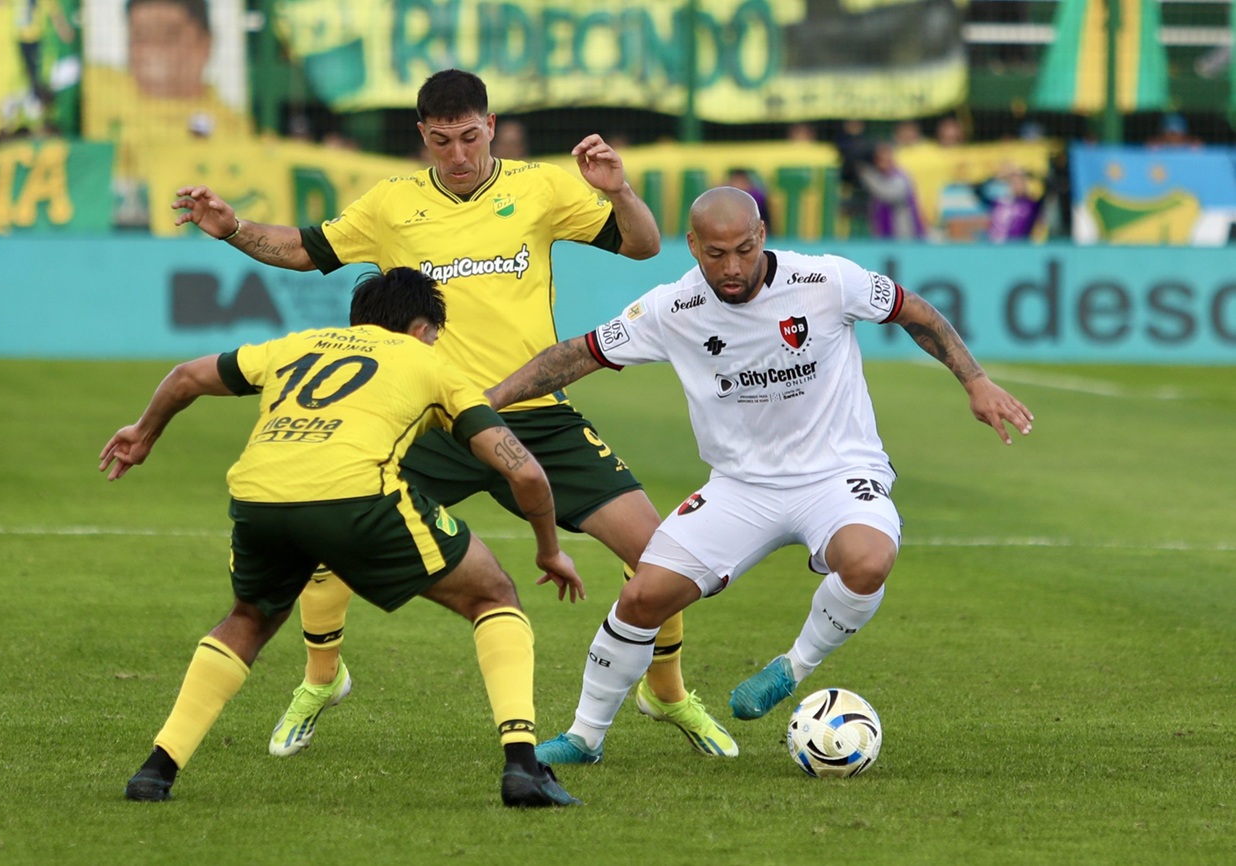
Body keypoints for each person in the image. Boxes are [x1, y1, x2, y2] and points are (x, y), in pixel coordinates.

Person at [170, 69, 737, 762]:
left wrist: (617, 189)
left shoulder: (542, 186)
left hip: (532, 413)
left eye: (470, 137)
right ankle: (322, 680)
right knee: (322, 543)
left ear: (491, 126)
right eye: (442, 141)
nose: (459, 155)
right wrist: (232, 229)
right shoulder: (391, 204)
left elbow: (644, 244)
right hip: (430, 422)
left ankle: (667, 692)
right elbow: (303, 250)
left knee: (661, 557)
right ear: (423, 138)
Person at [483, 186, 1034, 764]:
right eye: (715, 254)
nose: (733, 267)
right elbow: (579, 353)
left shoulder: (825, 281)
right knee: (644, 597)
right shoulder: (673, 309)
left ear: (762, 235)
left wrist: (974, 380)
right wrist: (489, 399)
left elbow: (912, 309)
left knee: (869, 559)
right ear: (692, 245)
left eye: (744, 249)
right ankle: (584, 737)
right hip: (740, 488)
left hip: (839, 474)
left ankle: (792, 667)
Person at [105, 267, 584, 808]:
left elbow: (186, 376)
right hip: (354, 498)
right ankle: (523, 767)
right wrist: (550, 549)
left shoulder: (299, 345)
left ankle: (155, 770)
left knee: (249, 618)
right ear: (424, 328)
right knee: (493, 594)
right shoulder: (431, 364)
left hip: (259, 497)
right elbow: (524, 473)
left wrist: (143, 434)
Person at [84, 0, 252, 225]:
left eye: (168, 36)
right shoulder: (98, 89)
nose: (152, 48)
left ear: (205, 43)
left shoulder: (229, 126)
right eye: (140, 36)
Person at [857, 141, 924, 240]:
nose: (884, 163)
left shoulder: (900, 176)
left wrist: (867, 175)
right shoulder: (880, 176)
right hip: (882, 232)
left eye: (887, 159)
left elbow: (889, 194)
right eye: (881, 160)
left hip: (903, 233)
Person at [973, 163, 1043, 242]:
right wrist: (995, 176)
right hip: (995, 246)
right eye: (1014, 182)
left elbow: (1048, 188)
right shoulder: (998, 203)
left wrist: (1030, 173)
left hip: (1018, 247)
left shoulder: (1032, 205)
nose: (1017, 186)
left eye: (1021, 182)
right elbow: (977, 191)